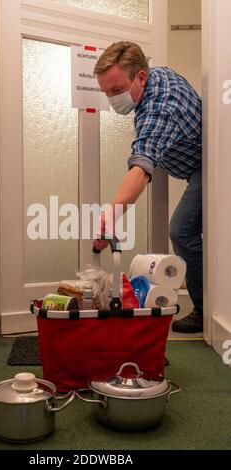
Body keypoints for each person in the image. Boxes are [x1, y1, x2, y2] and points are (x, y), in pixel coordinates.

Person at [92, 41, 203, 334]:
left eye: (116, 90)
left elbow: (141, 167)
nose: (112, 99)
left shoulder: (160, 105)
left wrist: (112, 213)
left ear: (140, 77)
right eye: (106, 92)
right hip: (195, 162)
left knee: (181, 230)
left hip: (210, 166)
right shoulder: (158, 76)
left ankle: (206, 310)